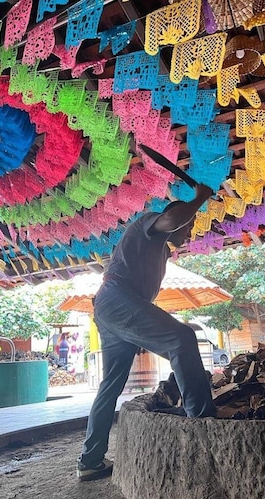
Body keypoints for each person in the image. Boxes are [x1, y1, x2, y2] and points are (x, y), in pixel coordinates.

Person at [77, 183, 217, 481]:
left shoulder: (160, 251)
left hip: (114, 305)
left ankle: (90, 461)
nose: (189, 232)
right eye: (188, 224)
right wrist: (200, 198)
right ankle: (204, 424)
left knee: (111, 385)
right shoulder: (148, 224)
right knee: (182, 339)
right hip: (116, 298)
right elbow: (171, 220)